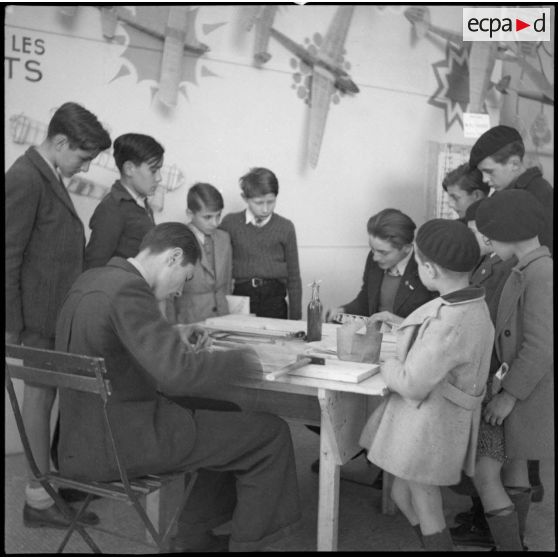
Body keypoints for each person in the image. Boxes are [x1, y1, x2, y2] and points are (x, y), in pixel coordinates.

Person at [54, 222, 301, 552]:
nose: (181, 290)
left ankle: (194, 537)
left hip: (78, 442)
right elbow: (178, 374)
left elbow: (119, 343)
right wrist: (249, 358)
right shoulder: (129, 290)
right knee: (271, 433)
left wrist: (173, 334)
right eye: (185, 277)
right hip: (120, 444)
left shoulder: (93, 280)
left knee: (223, 412)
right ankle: (250, 544)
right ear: (173, 257)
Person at [5, 101, 111, 529]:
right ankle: (37, 500)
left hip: (51, 317)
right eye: (83, 158)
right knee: (38, 401)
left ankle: (43, 494)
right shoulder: (25, 177)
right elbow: (8, 256)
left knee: (45, 400)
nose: (85, 168)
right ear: (61, 142)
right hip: (34, 320)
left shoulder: (48, 175)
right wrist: (11, 326)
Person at [359, 219, 494, 551]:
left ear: (430, 270)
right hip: (436, 423)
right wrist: (406, 325)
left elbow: (412, 384)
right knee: (399, 492)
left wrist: (386, 364)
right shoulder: (472, 304)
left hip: (427, 428)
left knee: (426, 506)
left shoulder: (448, 321)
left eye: (417, 263)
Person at [463, 190, 553, 551]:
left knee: (500, 468)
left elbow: (541, 345)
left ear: (510, 231)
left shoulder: (540, 273)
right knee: (514, 464)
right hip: (521, 384)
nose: (487, 241)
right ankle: (515, 544)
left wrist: (508, 395)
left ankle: (512, 547)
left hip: (526, 389)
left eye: (490, 235)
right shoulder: (527, 267)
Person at [470, 125, 552, 499]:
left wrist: (511, 390)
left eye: (490, 172)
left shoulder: (535, 206)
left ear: (515, 163)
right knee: (512, 456)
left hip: (523, 359)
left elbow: (540, 340)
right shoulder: (520, 199)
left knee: (502, 459)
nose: (487, 182)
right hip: (513, 354)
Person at [449, 199, 516, 549]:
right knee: (484, 470)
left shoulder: (510, 268)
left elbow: (491, 323)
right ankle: (492, 529)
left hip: (494, 378)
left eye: (477, 230)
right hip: (484, 374)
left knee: (488, 472)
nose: (476, 236)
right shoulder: (488, 262)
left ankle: (507, 543)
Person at [328, 208, 436, 327]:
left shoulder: (426, 267)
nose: (375, 257)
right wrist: (344, 310)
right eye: (372, 249)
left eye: (383, 252)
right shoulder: (374, 257)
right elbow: (366, 299)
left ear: (406, 248)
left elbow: (434, 325)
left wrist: (397, 321)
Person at [220, 167, 302, 319]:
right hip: (241, 298)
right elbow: (218, 266)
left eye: (271, 202)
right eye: (258, 202)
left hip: (274, 300)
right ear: (245, 198)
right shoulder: (230, 223)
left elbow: (294, 277)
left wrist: (296, 319)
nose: (265, 209)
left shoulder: (286, 227)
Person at [469, 124, 553, 254]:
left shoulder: (540, 195)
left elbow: (544, 255)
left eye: (489, 171)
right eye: (482, 173)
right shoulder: (502, 194)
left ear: (514, 163)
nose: (484, 179)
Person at [84, 133, 163, 269]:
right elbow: (94, 265)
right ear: (129, 169)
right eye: (154, 170)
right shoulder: (113, 208)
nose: (159, 178)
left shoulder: (141, 203)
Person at [166, 182, 232, 325]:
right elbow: (168, 296)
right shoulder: (176, 241)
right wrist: (172, 331)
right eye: (207, 217)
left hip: (223, 321)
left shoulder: (224, 238)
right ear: (190, 213)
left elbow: (226, 285)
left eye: (218, 216)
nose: (215, 223)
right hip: (189, 322)